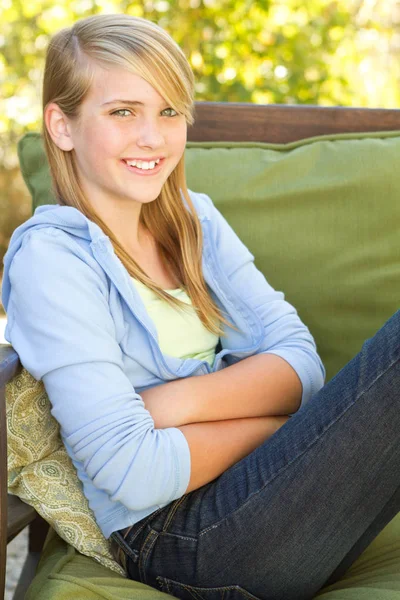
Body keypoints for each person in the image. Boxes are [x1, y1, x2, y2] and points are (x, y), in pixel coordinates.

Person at [2, 13, 399, 600]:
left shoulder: (195, 220)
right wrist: (285, 428)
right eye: (122, 112)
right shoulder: (51, 259)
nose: (153, 137)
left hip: (274, 502)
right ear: (61, 126)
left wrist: (164, 405)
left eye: (168, 111)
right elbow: (133, 474)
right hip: (181, 541)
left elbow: (303, 368)